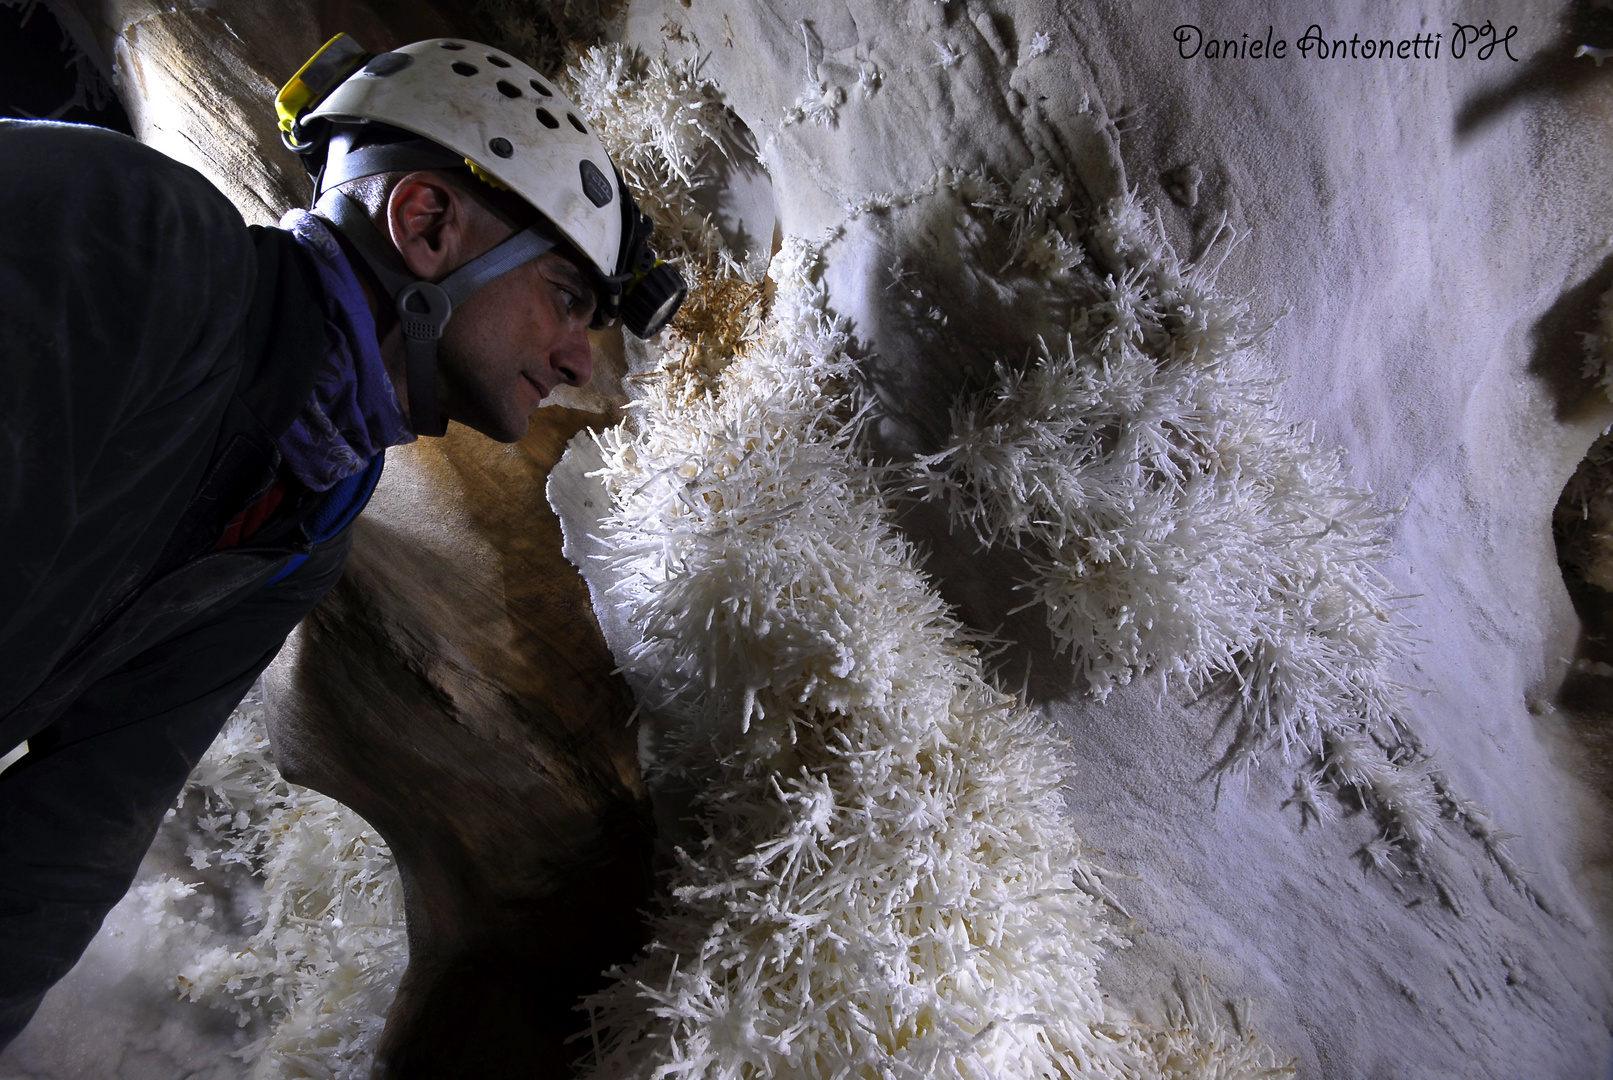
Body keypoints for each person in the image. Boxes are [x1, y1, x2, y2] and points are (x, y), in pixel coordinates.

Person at [0, 34, 684, 1048]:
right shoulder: (134, 231)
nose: (580, 358)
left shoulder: (308, 516)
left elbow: (74, 832)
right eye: (566, 298)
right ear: (426, 221)